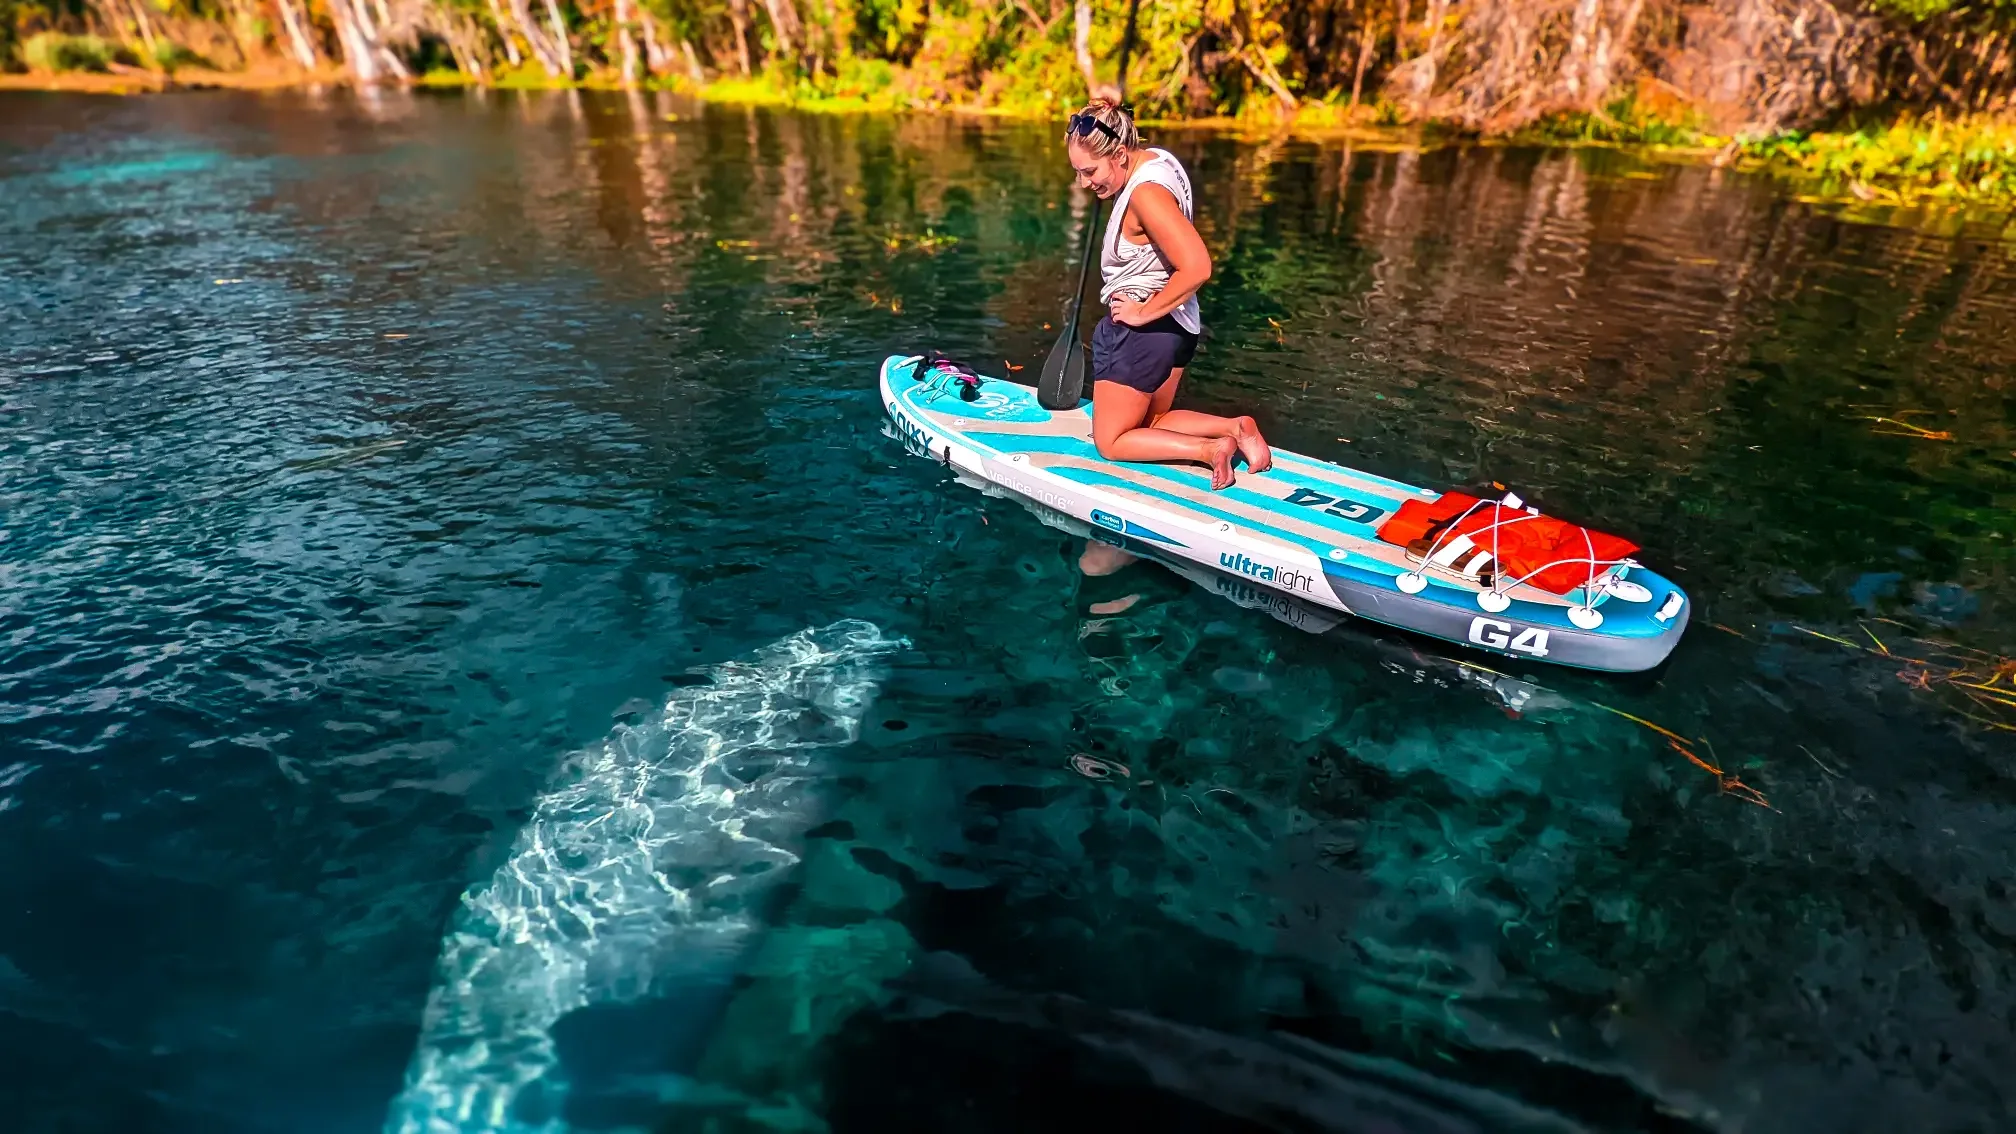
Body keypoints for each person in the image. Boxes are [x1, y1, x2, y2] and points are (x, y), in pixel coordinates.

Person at [1064, 99, 1271, 491]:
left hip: (1142, 333)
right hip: (1178, 328)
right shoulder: (1158, 160)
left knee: (1112, 442)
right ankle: (1236, 428)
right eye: (1077, 172)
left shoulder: (1146, 195)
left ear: (1120, 154)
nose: (1085, 183)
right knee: (1150, 424)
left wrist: (1142, 313)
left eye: (1090, 171)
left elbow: (1197, 265)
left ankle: (1211, 450)